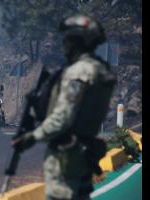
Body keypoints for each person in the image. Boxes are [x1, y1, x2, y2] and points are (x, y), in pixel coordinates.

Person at [12, 14, 116, 200]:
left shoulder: (79, 72)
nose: (64, 45)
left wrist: (32, 137)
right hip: (85, 153)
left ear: (77, 42)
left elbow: (63, 116)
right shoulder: (101, 69)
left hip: (67, 157)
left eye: (68, 39)